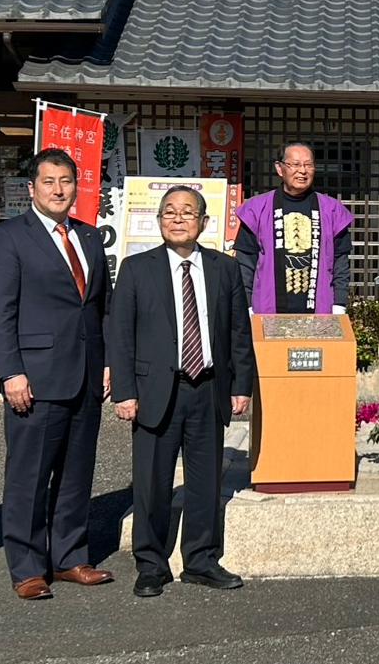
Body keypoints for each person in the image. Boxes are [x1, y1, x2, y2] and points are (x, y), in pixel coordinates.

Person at [109, 185, 256, 598]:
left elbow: (237, 334)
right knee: (152, 482)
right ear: (158, 221)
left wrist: (240, 385)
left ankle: (201, 560)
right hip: (156, 390)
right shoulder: (137, 269)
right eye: (169, 212)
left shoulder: (224, 270)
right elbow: (120, 336)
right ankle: (151, 564)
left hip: (208, 388)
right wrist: (124, 391)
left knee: (206, 481)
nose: (177, 218)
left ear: (203, 223)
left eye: (187, 212)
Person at [0, 147, 113, 600]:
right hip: (34, 377)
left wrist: (110, 360)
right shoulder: (8, 237)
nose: (59, 190)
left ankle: (71, 556)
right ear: (32, 188)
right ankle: (27, 566)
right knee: (29, 476)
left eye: (66, 181)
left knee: (77, 472)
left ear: (77, 187)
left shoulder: (91, 238)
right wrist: (11, 372)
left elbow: (101, 308)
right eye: (49, 182)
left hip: (87, 373)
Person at [235, 143, 353, 315]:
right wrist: (247, 306)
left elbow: (340, 262)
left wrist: (339, 304)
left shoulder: (332, 210)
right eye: (295, 164)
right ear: (280, 168)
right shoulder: (257, 208)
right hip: (267, 309)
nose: (302, 171)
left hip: (321, 309)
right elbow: (245, 263)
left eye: (308, 165)